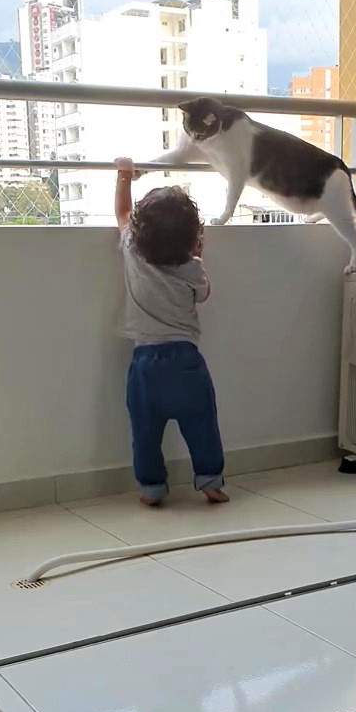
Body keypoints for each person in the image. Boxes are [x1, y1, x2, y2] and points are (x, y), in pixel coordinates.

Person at [113, 157, 229, 507]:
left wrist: (124, 175)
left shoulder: (132, 250)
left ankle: (151, 488)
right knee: (202, 423)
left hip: (145, 363)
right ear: (193, 237)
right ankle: (209, 480)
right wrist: (199, 255)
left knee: (145, 432)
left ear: (140, 231)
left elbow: (121, 213)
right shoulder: (192, 267)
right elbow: (204, 294)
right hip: (186, 361)